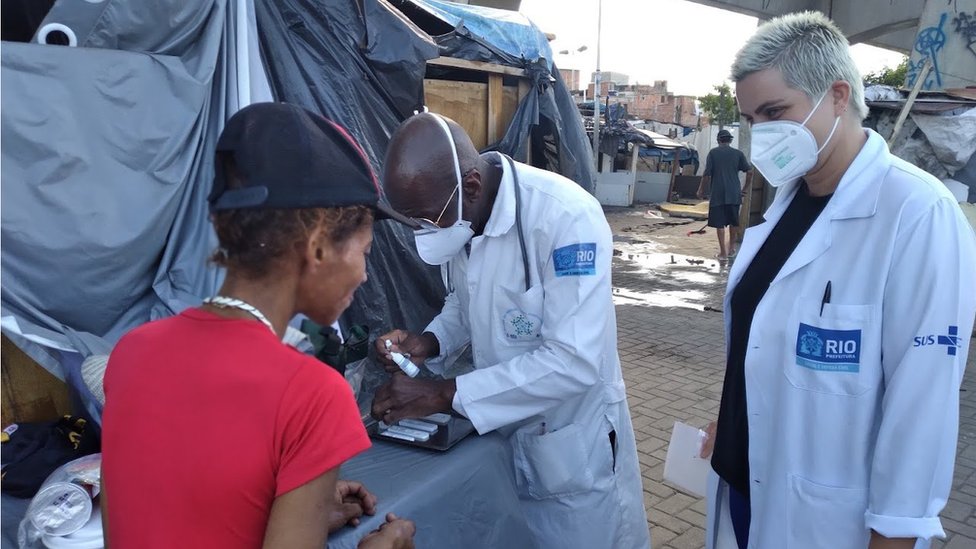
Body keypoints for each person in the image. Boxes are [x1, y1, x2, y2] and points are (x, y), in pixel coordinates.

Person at [696, 12, 976, 549]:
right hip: (741, 485)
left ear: (838, 95)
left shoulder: (916, 213)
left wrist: (894, 534)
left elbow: (922, 404)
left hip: (823, 519)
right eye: (752, 117)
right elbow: (763, 340)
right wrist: (733, 415)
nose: (763, 133)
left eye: (775, 111)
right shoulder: (786, 205)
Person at [101, 102, 416, 549]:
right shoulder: (313, 394)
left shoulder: (133, 351)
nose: (365, 275)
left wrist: (286, 511)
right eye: (364, 251)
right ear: (318, 246)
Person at [369, 112, 651, 549]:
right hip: (504, 435)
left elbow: (574, 361)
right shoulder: (462, 213)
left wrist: (443, 393)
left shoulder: (565, 217)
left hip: (569, 444)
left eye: (428, 219)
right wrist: (429, 342)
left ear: (474, 187)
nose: (424, 233)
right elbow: (464, 302)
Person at [697, 129, 752, 260]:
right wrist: (744, 189)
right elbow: (749, 172)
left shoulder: (713, 153)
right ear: (730, 140)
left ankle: (723, 253)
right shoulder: (738, 154)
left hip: (718, 194)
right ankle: (732, 248)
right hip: (734, 193)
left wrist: (701, 190)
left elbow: (706, 175)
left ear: (718, 140)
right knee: (734, 222)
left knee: (719, 224)